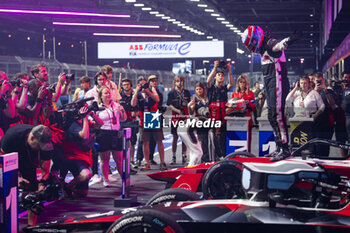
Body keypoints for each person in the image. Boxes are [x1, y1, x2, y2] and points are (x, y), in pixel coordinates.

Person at [241, 25, 302, 160]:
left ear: (256, 38)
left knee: (277, 115)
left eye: (251, 44)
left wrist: (291, 39)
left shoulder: (269, 44)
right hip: (270, 84)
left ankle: (285, 148)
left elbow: (280, 45)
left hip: (277, 83)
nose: (251, 48)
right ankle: (280, 146)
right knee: (271, 116)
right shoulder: (264, 50)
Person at [1, 124, 54, 226]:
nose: (40, 149)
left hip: (28, 161)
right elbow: (1, 162)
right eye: (39, 146)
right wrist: (15, 178)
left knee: (33, 192)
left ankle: (31, 226)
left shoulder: (46, 145)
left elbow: (45, 168)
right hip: (9, 159)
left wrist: (42, 183)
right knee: (9, 186)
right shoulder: (12, 137)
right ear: (32, 137)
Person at [131, 76, 167, 171]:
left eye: (144, 84)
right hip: (143, 119)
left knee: (159, 140)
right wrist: (136, 92)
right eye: (141, 84)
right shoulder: (138, 94)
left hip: (154, 117)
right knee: (145, 142)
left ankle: (162, 162)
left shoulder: (153, 90)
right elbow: (133, 104)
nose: (143, 86)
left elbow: (157, 99)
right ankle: (147, 163)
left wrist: (148, 91)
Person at [96, 86, 127, 187]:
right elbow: (94, 122)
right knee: (104, 159)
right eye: (105, 93)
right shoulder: (98, 108)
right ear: (101, 95)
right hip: (103, 133)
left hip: (116, 134)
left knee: (119, 158)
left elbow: (123, 119)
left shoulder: (117, 105)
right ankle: (105, 179)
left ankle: (124, 180)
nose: (108, 95)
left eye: (109, 93)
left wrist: (122, 111)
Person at [206, 61, 234, 158]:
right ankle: (214, 156)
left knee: (223, 136)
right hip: (213, 116)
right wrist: (214, 68)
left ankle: (222, 155)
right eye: (218, 75)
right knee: (214, 137)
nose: (221, 77)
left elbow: (231, 83)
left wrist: (229, 70)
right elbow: (207, 81)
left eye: (222, 75)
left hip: (223, 116)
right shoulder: (211, 88)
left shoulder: (224, 88)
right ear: (215, 77)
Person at [167, 76, 190, 164]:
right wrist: (177, 110)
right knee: (175, 137)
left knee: (185, 137)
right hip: (175, 117)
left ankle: (185, 156)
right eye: (177, 81)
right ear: (174, 82)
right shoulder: (171, 93)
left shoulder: (186, 92)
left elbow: (189, 103)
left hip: (185, 116)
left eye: (181, 81)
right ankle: (173, 156)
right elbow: (169, 104)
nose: (179, 83)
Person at [230, 75, 256, 152]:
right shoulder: (234, 94)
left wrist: (248, 103)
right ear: (238, 83)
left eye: (244, 82)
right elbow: (230, 107)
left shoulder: (251, 94)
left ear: (246, 83)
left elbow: (254, 106)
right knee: (238, 137)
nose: (242, 84)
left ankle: (247, 154)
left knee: (248, 138)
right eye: (240, 82)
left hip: (247, 118)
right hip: (237, 119)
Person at [313, 72, 336, 157]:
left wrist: (325, 91)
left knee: (326, 145)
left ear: (323, 80)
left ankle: (325, 162)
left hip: (327, 123)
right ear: (314, 81)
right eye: (317, 81)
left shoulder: (329, 91)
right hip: (315, 122)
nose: (318, 82)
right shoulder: (311, 92)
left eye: (320, 80)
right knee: (315, 144)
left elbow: (332, 104)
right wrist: (315, 91)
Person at [188, 82, 211, 162]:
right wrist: (189, 107)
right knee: (203, 141)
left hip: (211, 121)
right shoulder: (194, 99)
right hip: (201, 122)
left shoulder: (208, 97)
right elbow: (191, 113)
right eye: (197, 89)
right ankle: (205, 160)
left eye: (200, 89)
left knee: (212, 141)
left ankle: (214, 158)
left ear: (203, 89)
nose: (199, 91)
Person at [120, 78, 139, 168]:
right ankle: (122, 160)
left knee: (133, 142)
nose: (126, 86)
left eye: (127, 84)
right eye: (124, 84)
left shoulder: (134, 95)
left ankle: (131, 160)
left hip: (132, 122)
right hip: (122, 122)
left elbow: (139, 109)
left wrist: (136, 113)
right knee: (122, 142)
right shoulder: (119, 96)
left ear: (130, 85)